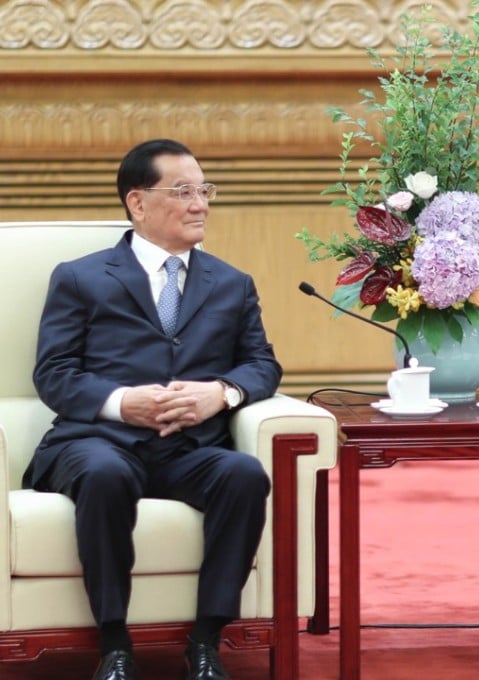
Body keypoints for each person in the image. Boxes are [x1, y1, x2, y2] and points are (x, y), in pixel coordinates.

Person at [24, 139, 283, 680]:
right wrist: (123, 404)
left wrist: (221, 393)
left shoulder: (232, 284)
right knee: (104, 473)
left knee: (243, 474)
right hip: (98, 443)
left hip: (190, 448)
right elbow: (53, 374)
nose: (201, 204)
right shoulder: (80, 277)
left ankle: (207, 641)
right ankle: (115, 645)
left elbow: (262, 365)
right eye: (184, 191)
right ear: (137, 203)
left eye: (205, 191)